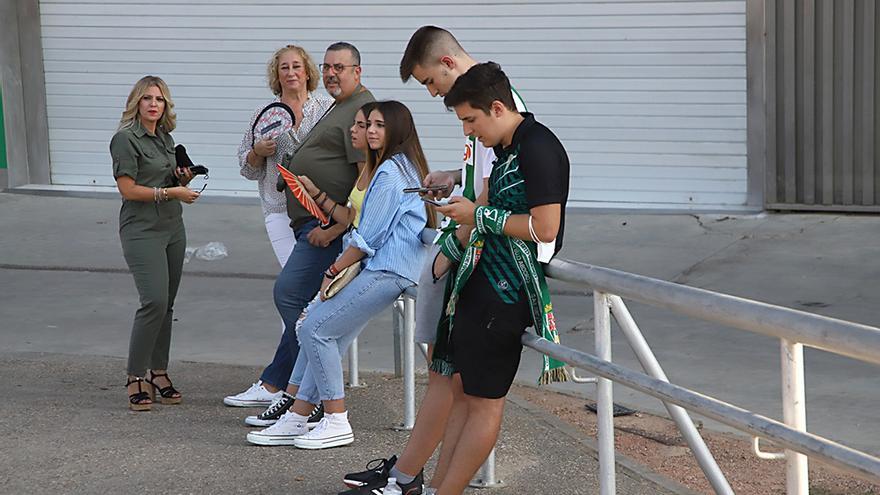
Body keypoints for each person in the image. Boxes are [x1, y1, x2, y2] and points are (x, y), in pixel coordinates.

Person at [340, 27, 525, 495]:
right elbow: (484, 181)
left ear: (447, 64)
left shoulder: (497, 109)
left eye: (429, 81)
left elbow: (499, 192)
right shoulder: (480, 109)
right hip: (466, 253)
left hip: (476, 261)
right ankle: (409, 475)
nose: (431, 92)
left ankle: (408, 478)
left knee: (452, 378)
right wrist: (455, 177)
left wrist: (451, 248)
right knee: (445, 374)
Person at [245, 101, 435, 449]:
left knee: (315, 329)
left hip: (387, 269)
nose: (370, 131)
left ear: (397, 131)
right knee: (314, 326)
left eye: (378, 125)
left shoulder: (391, 173)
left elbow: (366, 239)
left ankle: (336, 419)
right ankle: (298, 415)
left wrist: (332, 270)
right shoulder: (395, 167)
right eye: (368, 124)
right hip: (379, 267)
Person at [223, 42, 375, 409]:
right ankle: (293, 384)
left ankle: (287, 385)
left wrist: (338, 222)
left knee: (298, 298)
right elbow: (246, 168)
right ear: (276, 75)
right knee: (298, 298)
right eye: (284, 68)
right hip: (282, 211)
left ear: (307, 72)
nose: (291, 73)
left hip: (321, 216)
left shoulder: (327, 107)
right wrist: (257, 153)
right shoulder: (265, 113)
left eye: (297, 66)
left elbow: (362, 172)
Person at [242, 101, 378, 429]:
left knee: (308, 318)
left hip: (366, 261)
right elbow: (353, 216)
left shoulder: (381, 172)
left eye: (364, 126)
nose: (355, 131)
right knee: (308, 319)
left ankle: (325, 411)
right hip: (322, 230)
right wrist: (318, 195)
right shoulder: (364, 163)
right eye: (357, 125)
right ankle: (296, 397)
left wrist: (334, 262)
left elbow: (369, 231)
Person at [110, 75, 201, 411]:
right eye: (147, 98)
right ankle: (135, 375)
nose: (153, 104)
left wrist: (180, 177)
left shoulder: (165, 137)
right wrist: (171, 192)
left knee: (167, 305)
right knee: (153, 302)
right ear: (137, 102)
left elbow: (162, 178)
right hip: (141, 229)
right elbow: (128, 189)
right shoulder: (125, 139)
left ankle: (158, 372)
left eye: (159, 99)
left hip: (172, 227)